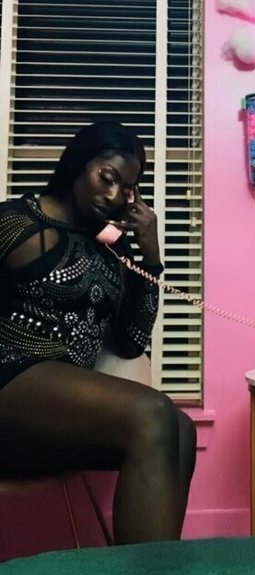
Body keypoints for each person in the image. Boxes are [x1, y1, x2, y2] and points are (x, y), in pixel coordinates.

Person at [0, 121, 196, 543]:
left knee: (180, 430)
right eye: (107, 177)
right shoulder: (16, 223)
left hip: (56, 415)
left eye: (127, 189)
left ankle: (157, 574)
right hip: (10, 386)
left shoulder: (110, 248)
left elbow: (130, 340)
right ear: (78, 163)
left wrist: (150, 256)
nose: (114, 195)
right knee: (153, 412)